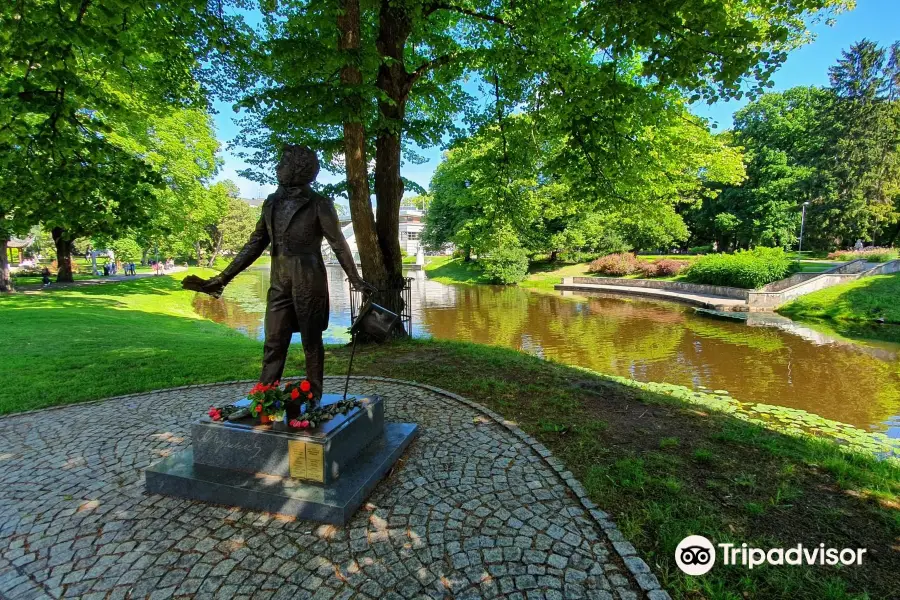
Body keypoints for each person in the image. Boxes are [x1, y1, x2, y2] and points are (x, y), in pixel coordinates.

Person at [184, 145, 375, 400]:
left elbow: (338, 243)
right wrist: (222, 278)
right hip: (279, 279)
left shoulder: (319, 204)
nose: (277, 168)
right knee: (273, 338)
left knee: (311, 341)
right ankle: (263, 398)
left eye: (283, 163)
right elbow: (255, 244)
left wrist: (355, 279)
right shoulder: (271, 203)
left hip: (308, 278)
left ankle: (314, 398)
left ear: (297, 169)